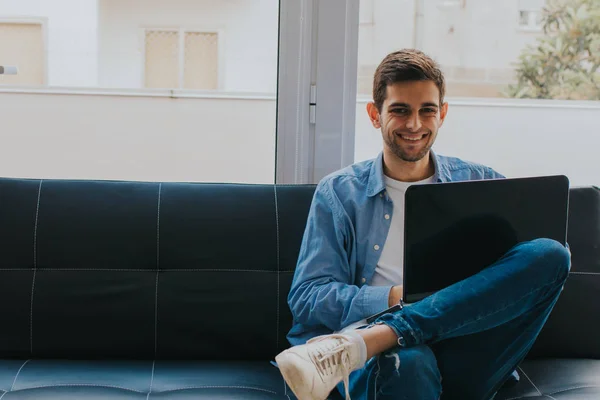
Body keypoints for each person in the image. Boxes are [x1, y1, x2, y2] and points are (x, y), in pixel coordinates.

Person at [275, 49, 571, 400]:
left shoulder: (481, 182)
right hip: (390, 361)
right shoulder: (340, 193)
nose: (414, 124)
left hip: (464, 345)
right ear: (375, 114)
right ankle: (376, 339)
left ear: (442, 113)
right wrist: (394, 297)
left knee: (552, 254)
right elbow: (308, 297)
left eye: (426, 110)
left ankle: (368, 340)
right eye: (400, 110)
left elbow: (526, 276)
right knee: (408, 360)